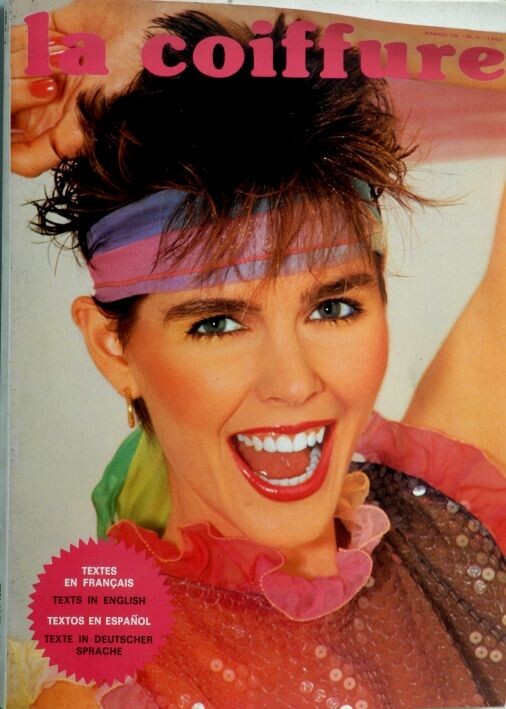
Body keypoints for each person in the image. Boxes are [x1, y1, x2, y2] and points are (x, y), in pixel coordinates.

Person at [9, 3, 506, 708]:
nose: (293, 382)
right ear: (112, 347)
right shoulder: (114, 688)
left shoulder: (451, 522)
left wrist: (163, 18)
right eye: (217, 323)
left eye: (332, 308)